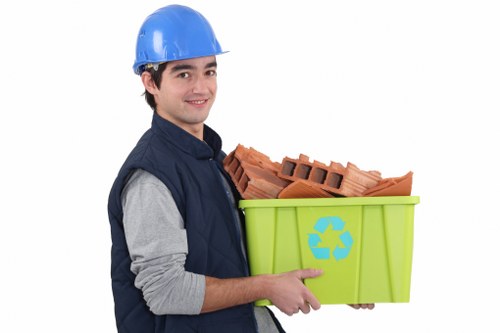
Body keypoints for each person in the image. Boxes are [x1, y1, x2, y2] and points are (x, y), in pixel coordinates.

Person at [108, 4, 372, 333]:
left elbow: (247, 258)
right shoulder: (151, 176)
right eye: (184, 74)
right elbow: (165, 291)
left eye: (210, 71)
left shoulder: (215, 161)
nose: (201, 87)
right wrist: (266, 287)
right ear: (151, 82)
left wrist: (339, 279)